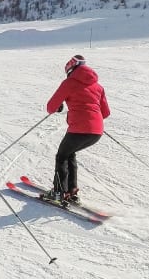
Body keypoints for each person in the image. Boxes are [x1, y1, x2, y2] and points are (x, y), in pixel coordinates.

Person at [42, 54, 110, 204]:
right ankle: (71, 191)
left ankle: (59, 193)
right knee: (69, 153)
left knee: (61, 156)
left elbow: (50, 107)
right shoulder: (98, 86)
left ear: (70, 69)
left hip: (79, 129)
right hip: (96, 131)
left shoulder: (69, 83)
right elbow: (105, 113)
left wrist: (58, 107)